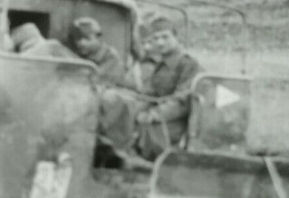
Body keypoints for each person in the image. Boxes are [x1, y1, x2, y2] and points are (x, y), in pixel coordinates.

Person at [97, 15, 201, 161]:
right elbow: (148, 94)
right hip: (159, 112)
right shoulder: (161, 64)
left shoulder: (188, 64)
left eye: (165, 37)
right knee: (112, 100)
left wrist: (153, 114)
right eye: (156, 38)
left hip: (174, 122)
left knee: (130, 119)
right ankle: (114, 149)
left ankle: (126, 155)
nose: (160, 42)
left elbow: (182, 102)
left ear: (177, 38)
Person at [69, 16, 131, 87]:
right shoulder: (77, 53)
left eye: (87, 38)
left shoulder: (110, 56)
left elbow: (97, 79)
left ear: (97, 38)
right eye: (77, 39)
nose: (82, 43)